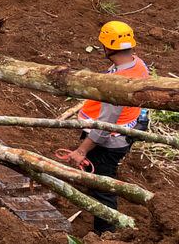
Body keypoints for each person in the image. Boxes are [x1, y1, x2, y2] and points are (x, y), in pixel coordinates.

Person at [64, 21, 149, 235]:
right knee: (100, 174)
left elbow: (104, 126)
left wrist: (82, 150)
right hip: (127, 129)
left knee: (103, 185)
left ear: (108, 47)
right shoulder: (137, 64)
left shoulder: (117, 86)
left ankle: (105, 232)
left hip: (109, 139)